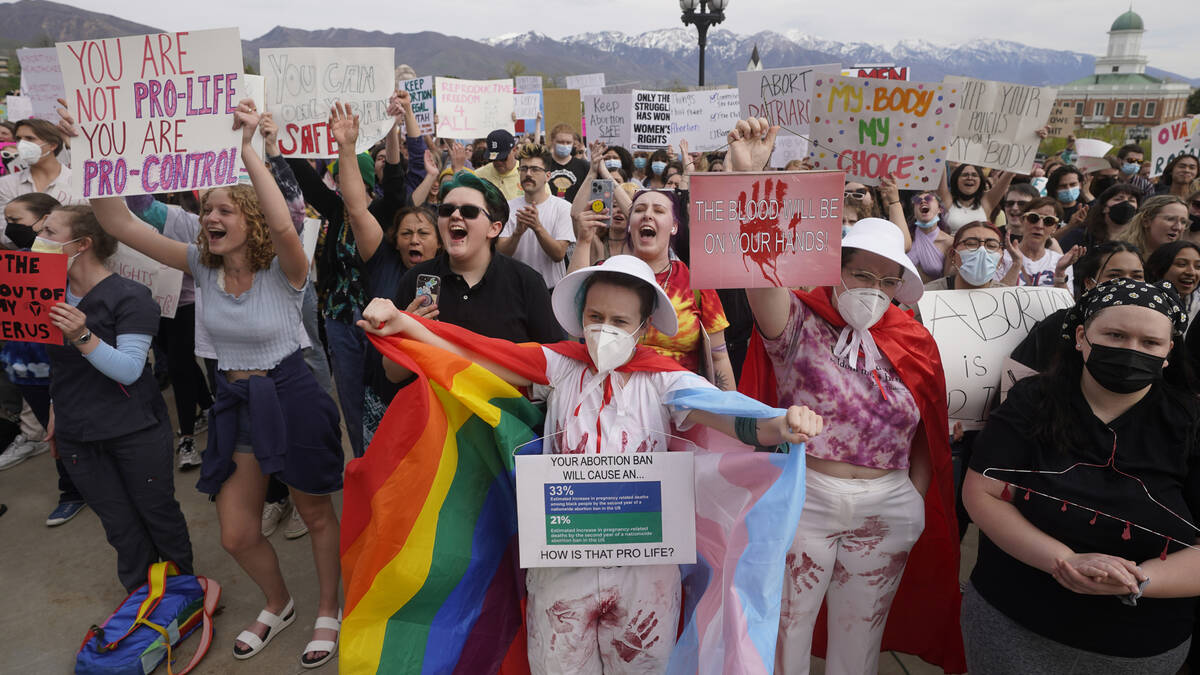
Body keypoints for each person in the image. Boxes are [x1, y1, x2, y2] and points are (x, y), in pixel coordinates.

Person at [359, 254, 825, 674]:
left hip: (647, 570)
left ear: (644, 328)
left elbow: (733, 418)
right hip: (562, 562)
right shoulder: (559, 366)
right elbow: (470, 351)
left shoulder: (667, 382)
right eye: (595, 317)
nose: (605, 329)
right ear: (579, 317)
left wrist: (782, 423)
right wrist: (401, 323)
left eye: (620, 321)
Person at [89, 101, 344, 667]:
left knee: (317, 512)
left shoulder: (287, 269)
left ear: (248, 217)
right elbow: (117, 222)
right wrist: (91, 147)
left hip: (291, 393)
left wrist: (247, 149)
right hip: (235, 401)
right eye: (206, 208)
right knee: (235, 533)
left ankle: (329, 605)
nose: (210, 216)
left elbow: (283, 224)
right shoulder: (199, 265)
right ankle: (279, 604)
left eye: (224, 208)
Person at [727, 117, 963, 674]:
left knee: (861, 636)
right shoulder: (799, 323)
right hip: (805, 498)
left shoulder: (914, 340)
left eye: (887, 281)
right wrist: (751, 179)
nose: (873, 290)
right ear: (835, 272)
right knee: (787, 628)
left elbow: (926, 428)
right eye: (861, 274)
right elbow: (760, 271)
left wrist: (913, 499)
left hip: (887, 507)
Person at [961, 278, 1200, 675]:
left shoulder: (1191, 422)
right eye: (1115, 335)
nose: (1130, 350)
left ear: (1168, 352)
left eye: (1149, 343)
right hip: (1014, 620)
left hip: (1139, 644)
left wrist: (1137, 581)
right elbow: (982, 492)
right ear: (1080, 337)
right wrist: (1064, 561)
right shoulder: (1031, 400)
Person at [40, 205, 193, 592]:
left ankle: (181, 594)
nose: (38, 240)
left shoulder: (130, 296)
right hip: (79, 432)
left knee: (157, 513)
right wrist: (58, 409)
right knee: (119, 525)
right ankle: (139, 602)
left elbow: (129, 369)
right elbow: (58, 366)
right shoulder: (47, 295)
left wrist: (83, 337)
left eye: (49, 232)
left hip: (133, 429)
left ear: (82, 244)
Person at [573, 187, 737, 389]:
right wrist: (583, 241)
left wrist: (727, 414)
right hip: (607, 405)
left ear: (674, 226)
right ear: (630, 224)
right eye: (640, 210)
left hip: (678, 410)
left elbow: (718, 357)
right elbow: (573, 322)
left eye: (658, 211)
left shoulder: (696, 284)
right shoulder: (605, 274)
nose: (648, 215)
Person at [0, 192, 89, 525]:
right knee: (57, 437)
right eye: (6, 221)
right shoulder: (10, 264)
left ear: (46, 219)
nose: (10, 228)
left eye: (16, 221)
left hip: (65, 363)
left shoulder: (72, 262)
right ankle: (72, 489)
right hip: (26, 369)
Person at [1003, 241, 1145, 391]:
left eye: (1137, 276)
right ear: (1090, 283)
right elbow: (1015, 377)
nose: (1128, 283)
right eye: (1114, 275)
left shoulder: (1156, 327)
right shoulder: (1058, 324)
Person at [497, 144, 575, 289]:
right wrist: (517, 234)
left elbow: (558, 254)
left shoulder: (563, 208)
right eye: (524, 169)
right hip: (514, 290)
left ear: (547, 176)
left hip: (550, 290)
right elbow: (501, 254)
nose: (528, 174)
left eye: (535, 169)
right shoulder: (506, 207)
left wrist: (537, 227)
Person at [0, 118, 82, 243]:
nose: (22, 145)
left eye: (30, 139)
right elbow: (4, 235)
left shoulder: (80, 182)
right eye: (18, 139)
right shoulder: (6, 184)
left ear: (53, 145)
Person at [1007, 197, 1081, 291]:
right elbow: (995, 298)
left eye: (1048, 221)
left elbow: (1068, 304)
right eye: (1033, 218)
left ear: (1055, 227)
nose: (1039, 226)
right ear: (1022, 220)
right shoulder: (1002, 258)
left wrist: (1060, 273)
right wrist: (1016, 264)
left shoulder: (1062, 262)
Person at [925, 221, 1006, 292]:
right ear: (953, 255)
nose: (982, 251)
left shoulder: (1010, 299)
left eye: (991, 246)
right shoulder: (925, 295)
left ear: (1001, 259)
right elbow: (912, 310)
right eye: (971, 244)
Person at [1059, 183, 1141, 250]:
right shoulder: (1082, 236)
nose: (1126, 204)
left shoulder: (1141, 239)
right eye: (1118, 199)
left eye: (1131, 200)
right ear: (1104, 208)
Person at [939, 163, 1013, 233]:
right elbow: (940, 166)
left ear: (980, 181)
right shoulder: (947, 200)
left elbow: (1008, 175)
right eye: (965, 175)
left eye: (974, 175)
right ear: (956, 179)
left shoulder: (986, 202)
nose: (970, 178)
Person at [1117, 195, 1189, 262]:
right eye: (1170, 219)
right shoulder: (1119, 255)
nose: (1178, 227)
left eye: (1183, 222)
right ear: (1146, 221)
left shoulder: (1183, 260)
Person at [1145, 240, 1200, 327]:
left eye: (1198, 266)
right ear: (1158, 268)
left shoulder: (1196, 306)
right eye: (1182, 264)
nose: (1191, 272)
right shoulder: (1145, 305)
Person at [906, 191, 953, 282]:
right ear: (914, 213)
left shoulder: (949, 242)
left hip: (934, 294)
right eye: (917, 200)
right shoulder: (905, 238)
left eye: (928, 198)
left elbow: (948, 280)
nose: (923, 201)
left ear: (940, 209)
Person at [473, 129, 524, 200]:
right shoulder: (478, 176)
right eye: (493, 158)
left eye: (503, 158)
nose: (498, 162)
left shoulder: (527, 173)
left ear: (514, 150)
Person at [546, 123, 590, 202]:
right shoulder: (544, 164)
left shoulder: (583, 166)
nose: (565, 145)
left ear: (573, 143)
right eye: (560, 142)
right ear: (552, 141)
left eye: (568, 142)